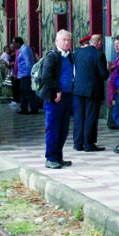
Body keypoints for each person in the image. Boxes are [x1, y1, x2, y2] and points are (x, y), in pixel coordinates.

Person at [37, 30, 75, 169]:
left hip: (67, 96)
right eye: (64, 39)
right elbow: (46, 77)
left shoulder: (69, 56)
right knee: (53, 128)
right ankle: (50, 158)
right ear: (57, 41)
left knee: (63, 129)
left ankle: (58, 156)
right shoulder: (52, 57)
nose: (66, 42)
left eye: (69, 40)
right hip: (54, 97)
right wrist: (57, 89)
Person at [72, 34, 109, 152]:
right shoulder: (99, 55)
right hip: (92, 91)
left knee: (79, 117)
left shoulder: (77, 53)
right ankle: (89, 144)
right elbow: (104, 74)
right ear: (98, 43)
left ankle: (78, 143)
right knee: (91, 117)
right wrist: (110, 69)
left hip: (77, 90)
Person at [13, 36, 38, 115]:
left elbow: (28, 62)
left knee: (29, 91)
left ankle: (34, 108)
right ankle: (23, 108)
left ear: (18, 42)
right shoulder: (20, 50)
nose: (14, 45)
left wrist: (31, 73)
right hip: (22, 74)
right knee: (23, 91)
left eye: (14, 43)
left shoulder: (25, 49)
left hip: (27, 73)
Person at [107, 36, 119, 130]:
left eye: (118, 44)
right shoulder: (118, 57)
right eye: (115, 45)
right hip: (116, 90)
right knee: (117, 115)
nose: (116, 47)